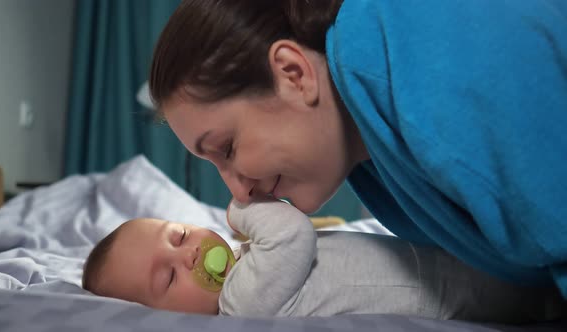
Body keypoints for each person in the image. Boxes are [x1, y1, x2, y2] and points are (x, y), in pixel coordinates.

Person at [147, 0, 567, 297]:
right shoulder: (366, 148)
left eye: (228, 148)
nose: (239, 193)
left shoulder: (434, 64)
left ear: (293, 74)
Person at [82, 198, 567, 321]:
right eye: (167, 278)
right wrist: (239, 206)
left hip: (431, 261)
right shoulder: (240, 303)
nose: (188, 255)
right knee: (535, 290)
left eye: (179, 235)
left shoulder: (247, 266)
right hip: (447, 291)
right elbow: (292, 231)